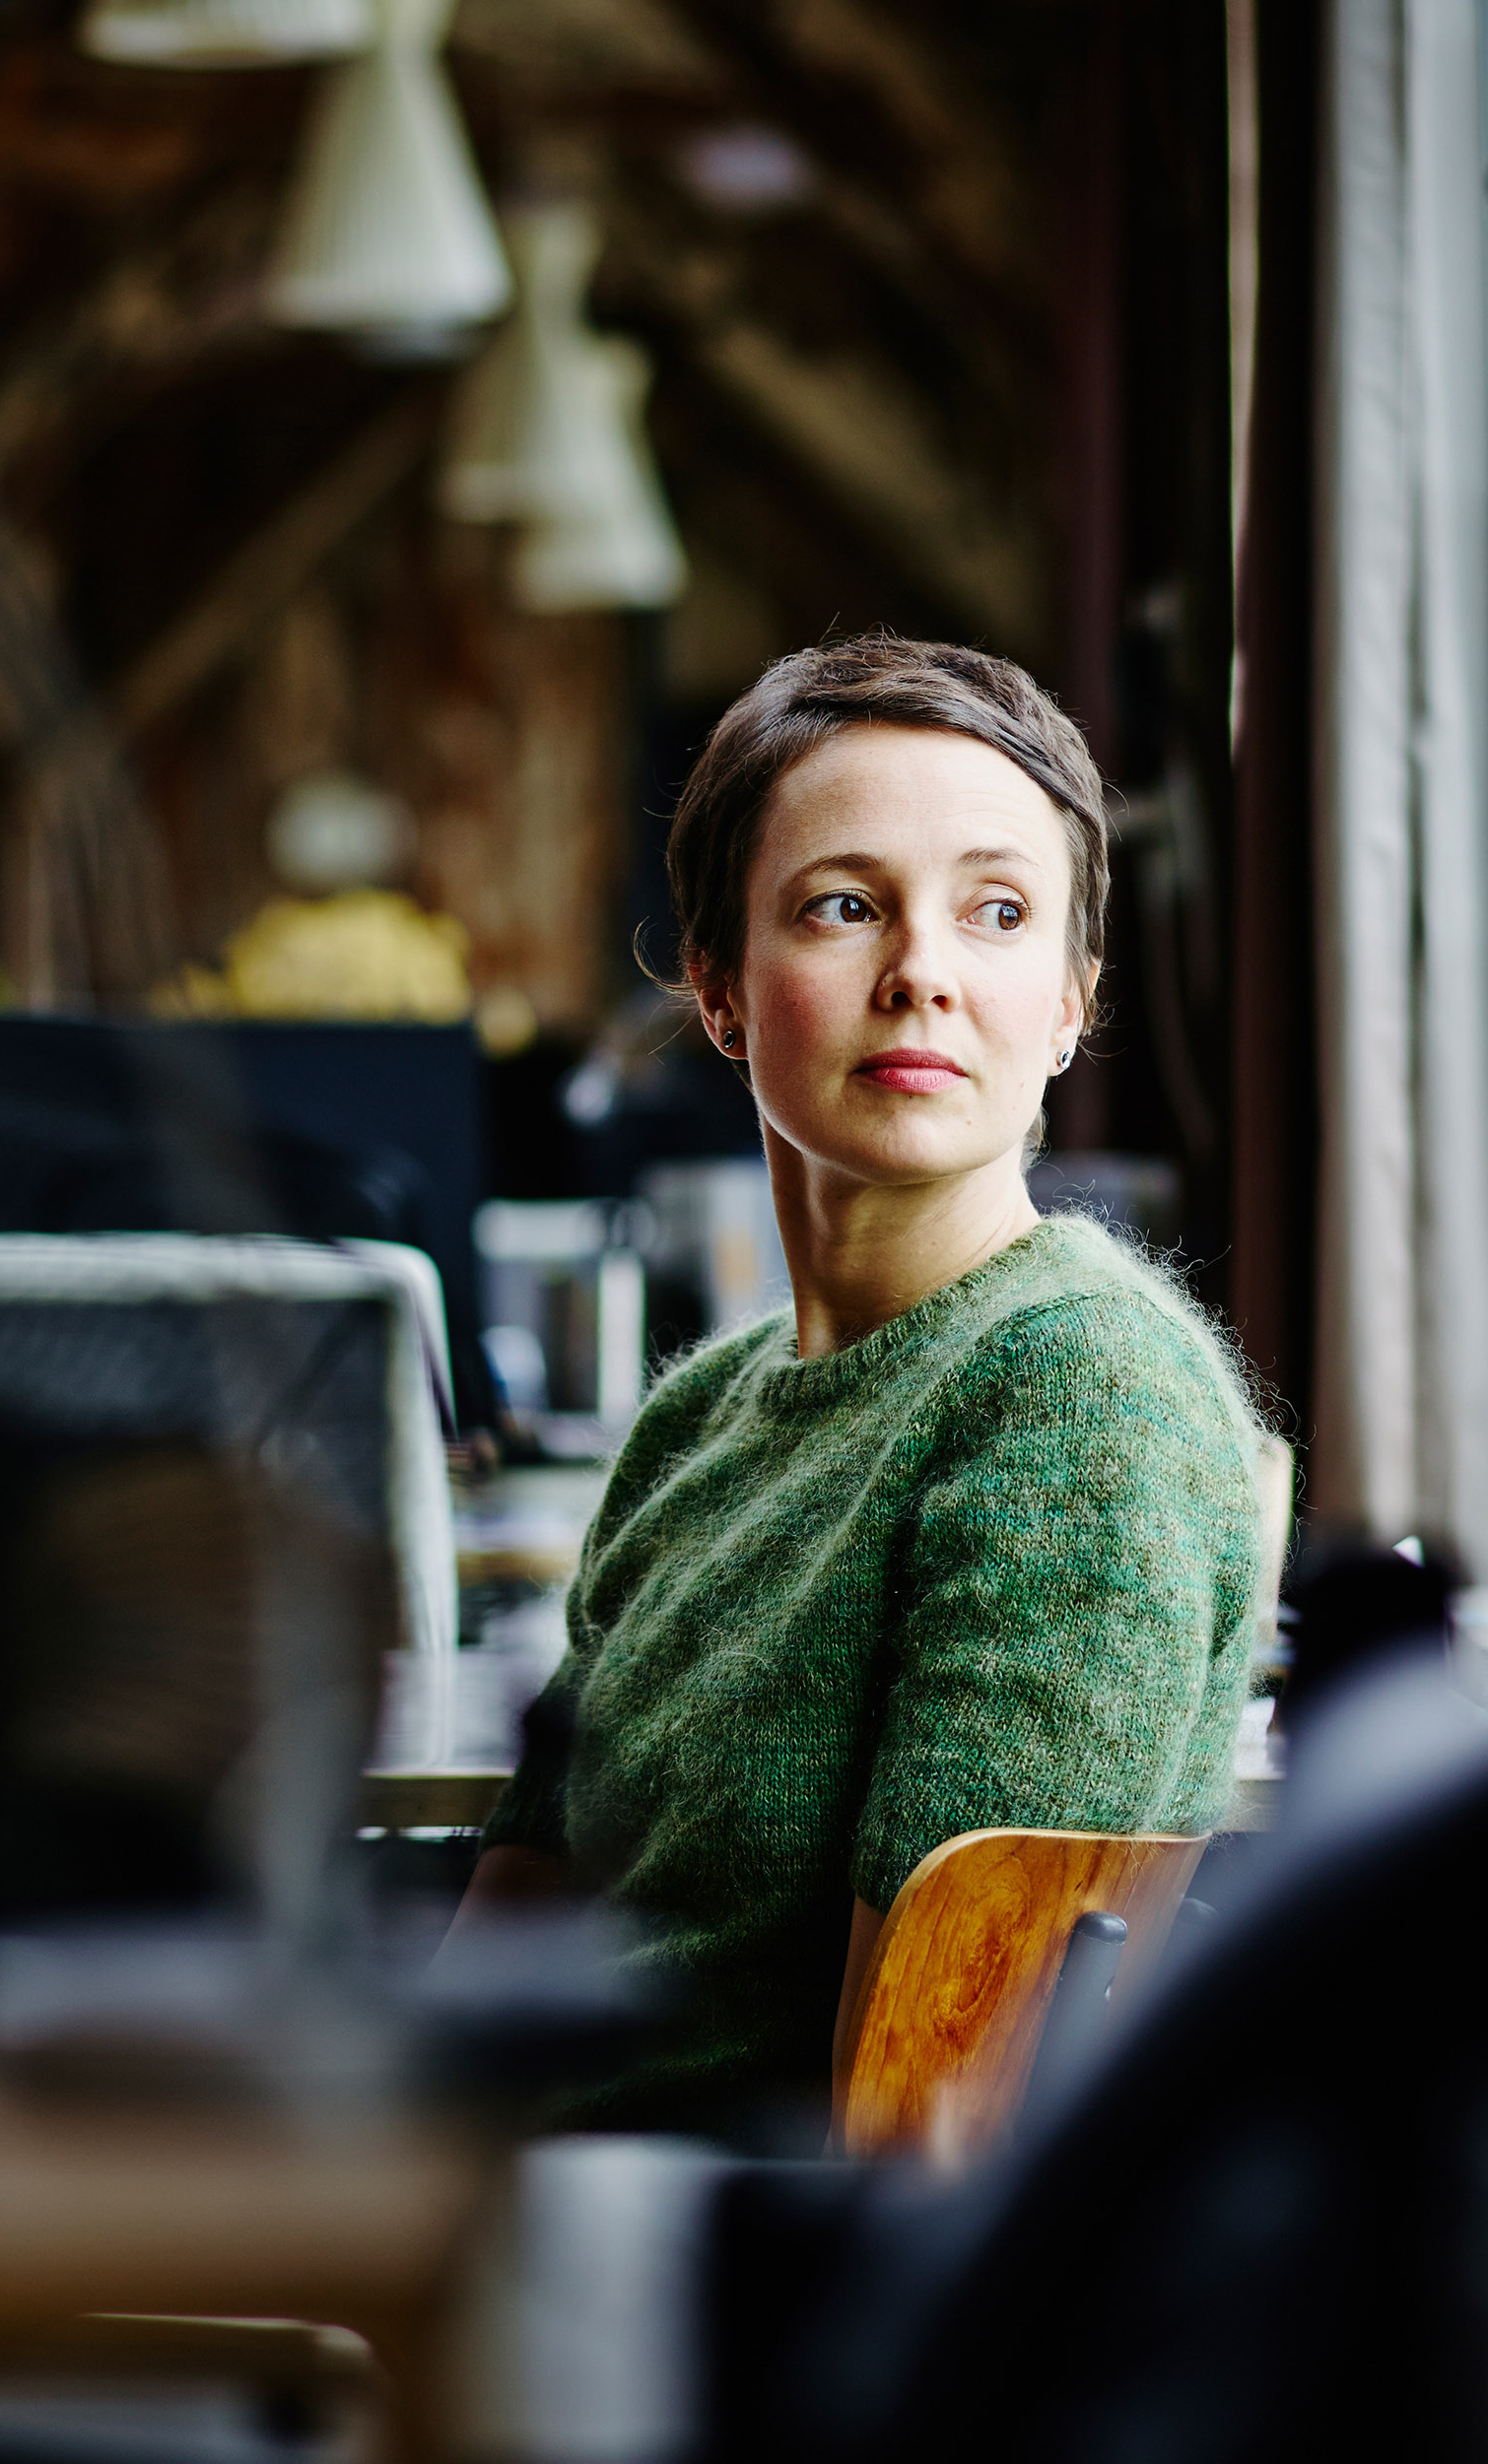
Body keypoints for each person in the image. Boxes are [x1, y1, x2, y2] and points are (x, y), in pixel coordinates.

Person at [462, 634, 1274, 2137]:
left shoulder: (1077, 1388)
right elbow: (525, 1894)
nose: (922, 975)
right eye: (844, 907)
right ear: (715, 986)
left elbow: (929, 2107)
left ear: (1076, 999)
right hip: (501, 2220)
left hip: (731, 2279)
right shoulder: (699, 1416)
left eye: (1000, 912)